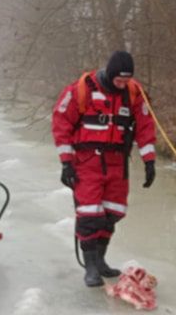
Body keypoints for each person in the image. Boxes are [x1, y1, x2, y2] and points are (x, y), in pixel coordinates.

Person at [52, 51, 157, 286]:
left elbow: (144, 125)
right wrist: (66, 163)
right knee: (89, 215)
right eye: (119, 80)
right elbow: (61, 124)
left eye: (126, 80)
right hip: (87, 162)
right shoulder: (82, 90)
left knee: (112, 214)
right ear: (109, 75)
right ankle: (90, 267)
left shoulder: (133, 93)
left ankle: (100, 260)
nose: (122, 84)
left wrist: (149, 160)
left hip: (117, 163)